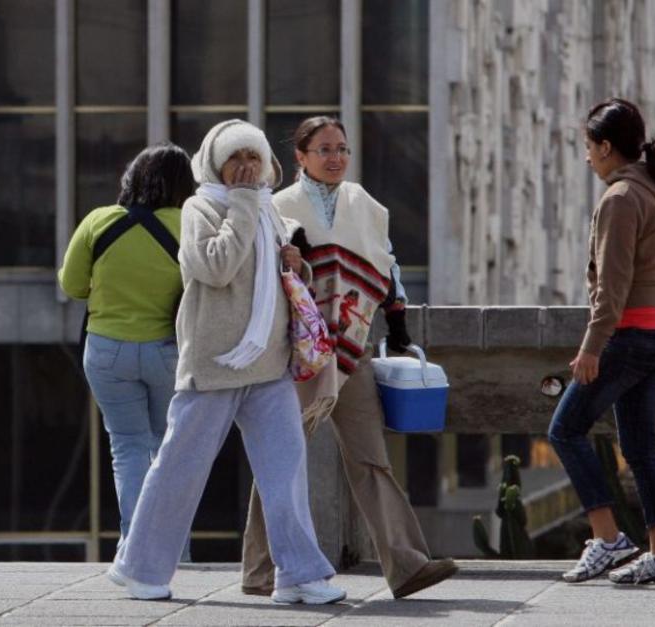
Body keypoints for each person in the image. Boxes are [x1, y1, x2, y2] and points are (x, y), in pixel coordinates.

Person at [106, 119, 345, 605]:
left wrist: (294, 264)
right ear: (215, 164)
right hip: (214, 364)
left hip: (268, 363)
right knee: (179, 467)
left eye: (253, 158)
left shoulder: (266, 211)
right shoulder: (202, 207)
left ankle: (299, 574)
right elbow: (213, 267)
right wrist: (239, 204)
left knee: (286, 469)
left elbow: (269, 276)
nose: (245, 168)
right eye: (235, 158)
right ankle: (140, 568)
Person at [239, 116, 459, 599]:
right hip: (294, 352)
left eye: (342, 148)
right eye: (324, 149)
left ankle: (406, 565)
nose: (335, 157)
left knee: (371, 459)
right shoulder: (276, 207)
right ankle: (258, 570)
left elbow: (388, 264)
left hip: (352, 350)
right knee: (280, 460)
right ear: (299, 156)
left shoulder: (366, 205)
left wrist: (398, 324)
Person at [547, 98, 655, 585]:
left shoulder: (620, 198)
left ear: (607, 147)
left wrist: (592, 347)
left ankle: (608, 540)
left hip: (626, 335)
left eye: (589, 147)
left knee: (565, 431)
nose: (587, 157)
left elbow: (612, 284)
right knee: (640, 446)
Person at [58, 143, 194, 563]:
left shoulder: (99, 221)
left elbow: (72, 286)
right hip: (170, 352)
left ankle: (135, 550)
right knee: (168, 450)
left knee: (128, 447)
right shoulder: (189, 225)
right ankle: (175, 553)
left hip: (107, 352)